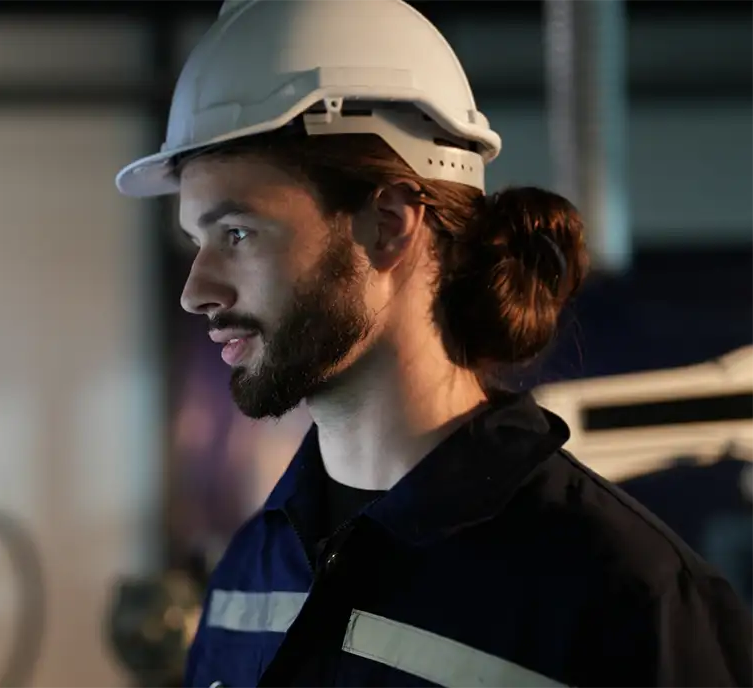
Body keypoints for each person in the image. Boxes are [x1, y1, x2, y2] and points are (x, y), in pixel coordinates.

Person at [115, 0, 753, 686]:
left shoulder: (624, 597)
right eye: (196, 241)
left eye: (237, 234)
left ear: (388, 224)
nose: (195, 290)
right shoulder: (249, 572)